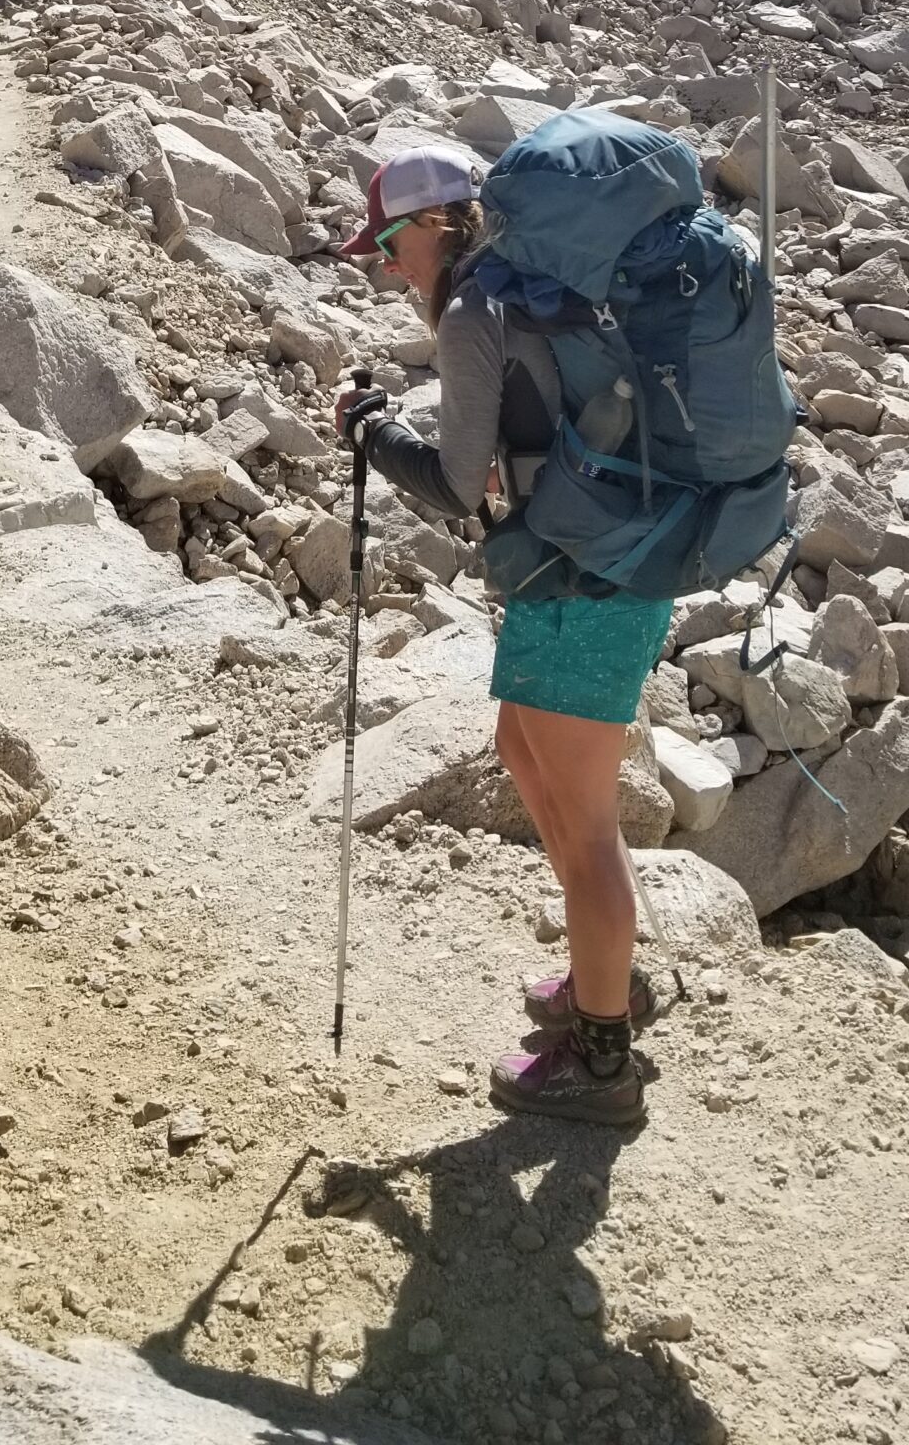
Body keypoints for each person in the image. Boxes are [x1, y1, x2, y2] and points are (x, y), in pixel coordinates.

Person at [334, 145, 671, 1127]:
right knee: (522, 747)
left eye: (392, 245)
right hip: (581, 560)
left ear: (438, 227)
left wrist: (371, 434)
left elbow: (452, 478)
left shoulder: (481, 308)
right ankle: (595, 976)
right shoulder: (532, 289)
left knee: (588, 814)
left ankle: (602, 1058)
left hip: (587, 575)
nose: (390, 268)